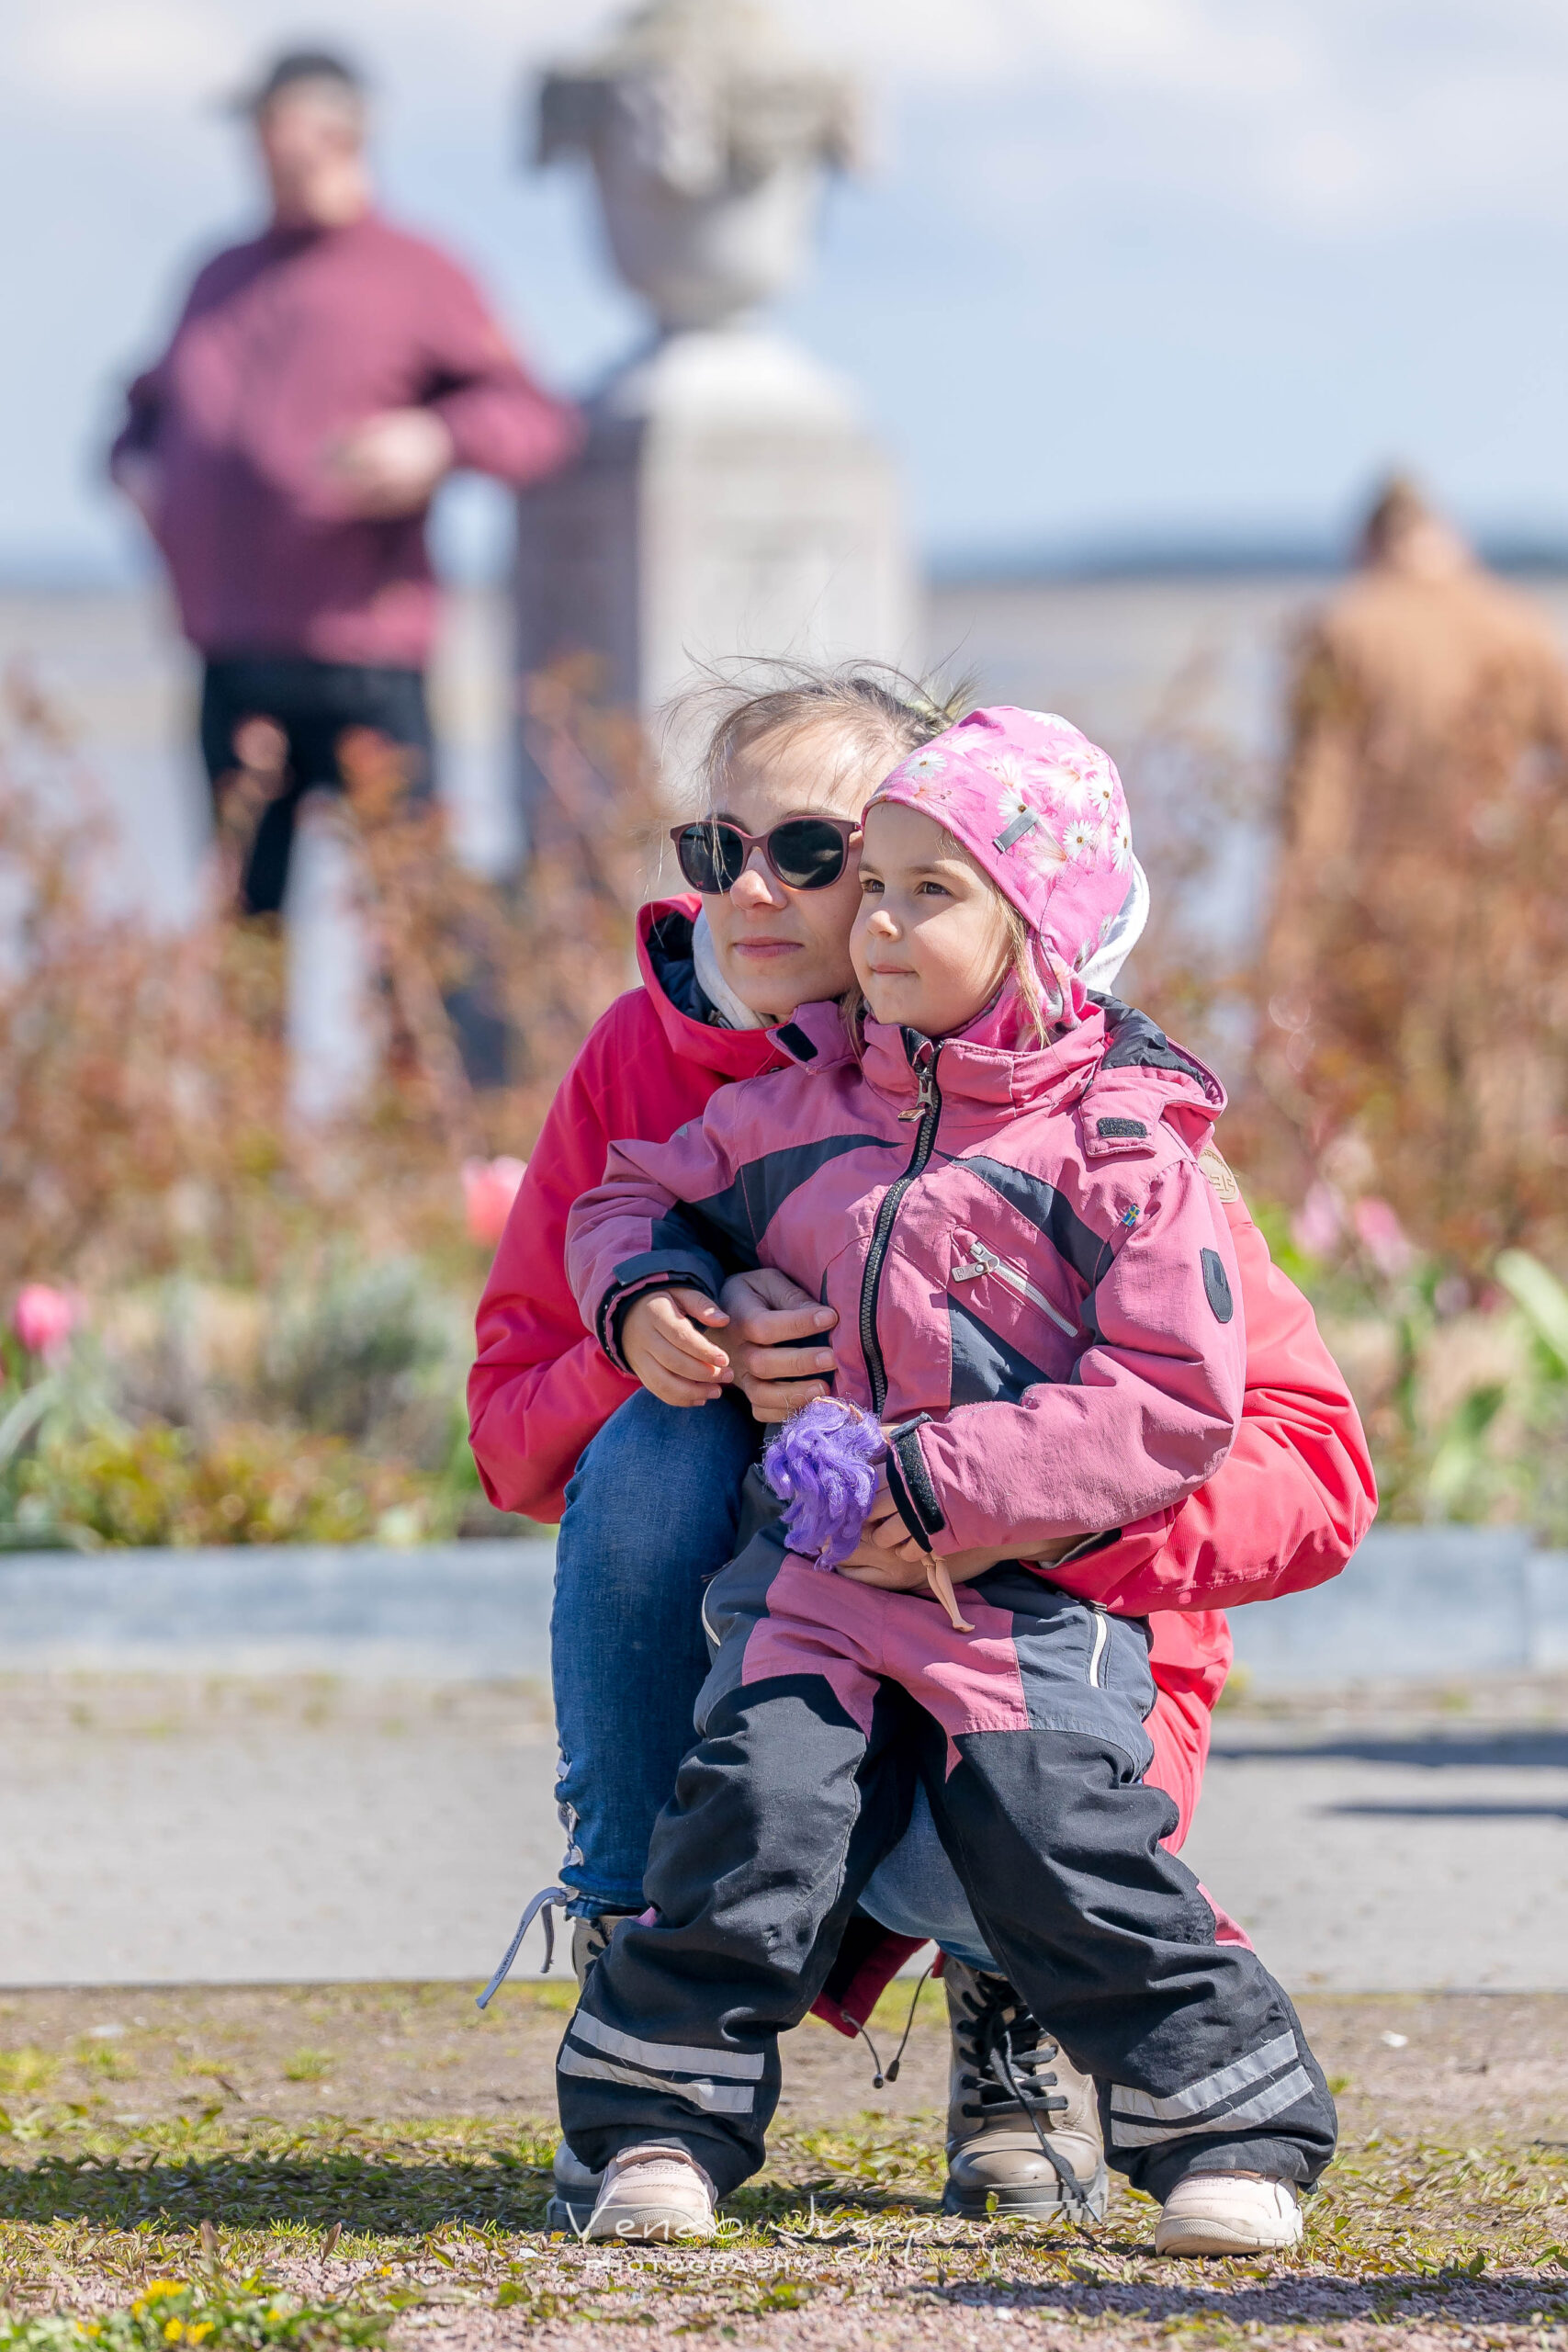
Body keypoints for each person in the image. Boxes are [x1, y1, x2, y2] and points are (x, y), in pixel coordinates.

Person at [468, 667, 1373, 2231]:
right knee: (670, 1493)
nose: (754, 893)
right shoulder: (668, 1077)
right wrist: (664, 1331)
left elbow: (1302, 1462)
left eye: (817, 853)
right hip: (805, 1602)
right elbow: (513, 1407)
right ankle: (641, 2014)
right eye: (716, 849)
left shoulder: (1107, 1131)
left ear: (996, 891)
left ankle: (1042, 2032)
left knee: (1038, 1809)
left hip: (1034, 1623)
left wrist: (1016, 1512)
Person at [109, 47, 581, 918]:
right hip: (228, 657)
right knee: (244, 926)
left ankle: (420, 1022)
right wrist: (135, 466)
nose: (259, 151)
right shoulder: (218, 274)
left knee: (409, 917)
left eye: (274, 129)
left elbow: (534, 419)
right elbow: (144, 408)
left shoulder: (419, 272)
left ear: (339, 134)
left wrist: (435, 439)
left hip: (365, 660)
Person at [1258, 476, 1568, 1261]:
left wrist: (1283, 945)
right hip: (1495, 912)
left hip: (1375, 913)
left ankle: (1402, 1285)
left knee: (1367, 1109)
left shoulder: (1345, 626)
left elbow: (1312, 809)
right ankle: (1489, 1276)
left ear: (1368, 543)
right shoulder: (1519, 622)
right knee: (1492, 1107)